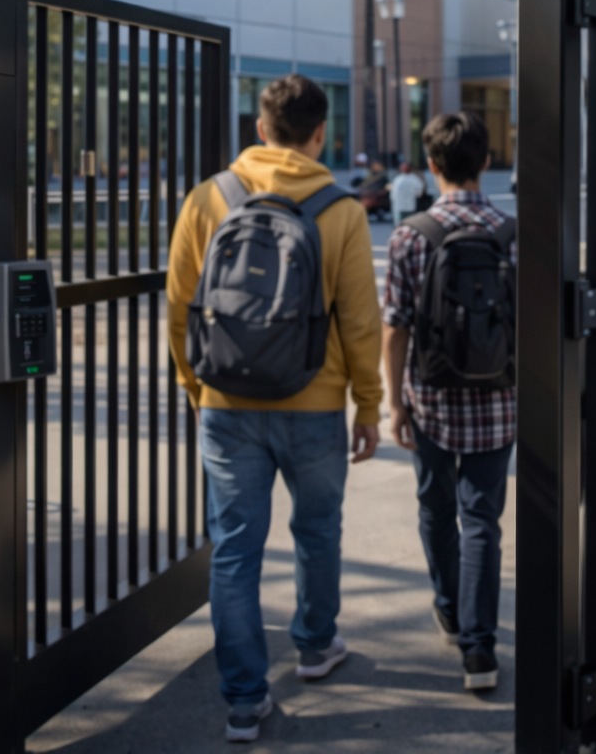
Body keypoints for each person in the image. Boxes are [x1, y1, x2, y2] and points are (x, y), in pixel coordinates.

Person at [167, 74, 384, 743]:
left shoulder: (210, 197)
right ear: (321, 134)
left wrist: (194, 388)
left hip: (226, 402)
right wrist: (369, 404)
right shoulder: (340, 209)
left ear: (259, 128)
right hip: (314, 404)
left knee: (235, 551)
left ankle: (242, 701)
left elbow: (180, 306)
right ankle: (316, 647)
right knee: (317, 532)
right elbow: (360, 321)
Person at [382, 111, 516, 691]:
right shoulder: (513, 234)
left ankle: (450, 607)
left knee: (436, 509)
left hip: (431, 401)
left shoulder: (413, 234)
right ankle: (479, 651)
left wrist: (394, 404)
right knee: (481, 518)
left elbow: (395, 327)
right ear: (486, 163)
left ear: (431, 166)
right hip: (499, 402)